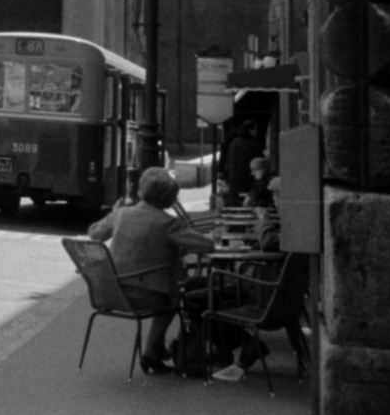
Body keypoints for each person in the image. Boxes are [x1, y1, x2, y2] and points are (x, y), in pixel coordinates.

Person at [87, 168, 214, 375]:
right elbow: (205, 246)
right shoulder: (167, 223)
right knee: (172, 301)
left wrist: (114, 211)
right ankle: (151, 353)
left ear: (142, 190)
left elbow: (94, 234)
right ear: (170, 198)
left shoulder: (122, 214)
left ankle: (152, 354)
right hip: (141, 296)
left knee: (167, 298)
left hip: (109, 293)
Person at [223, 121, 263, 208]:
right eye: (254, 129)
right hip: (249, 183)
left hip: (235, 183)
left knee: (236, 205)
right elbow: (260, 164)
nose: (256, 132)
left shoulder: (234, 143)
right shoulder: (254, 144)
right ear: (250, 130)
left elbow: (227, 162)